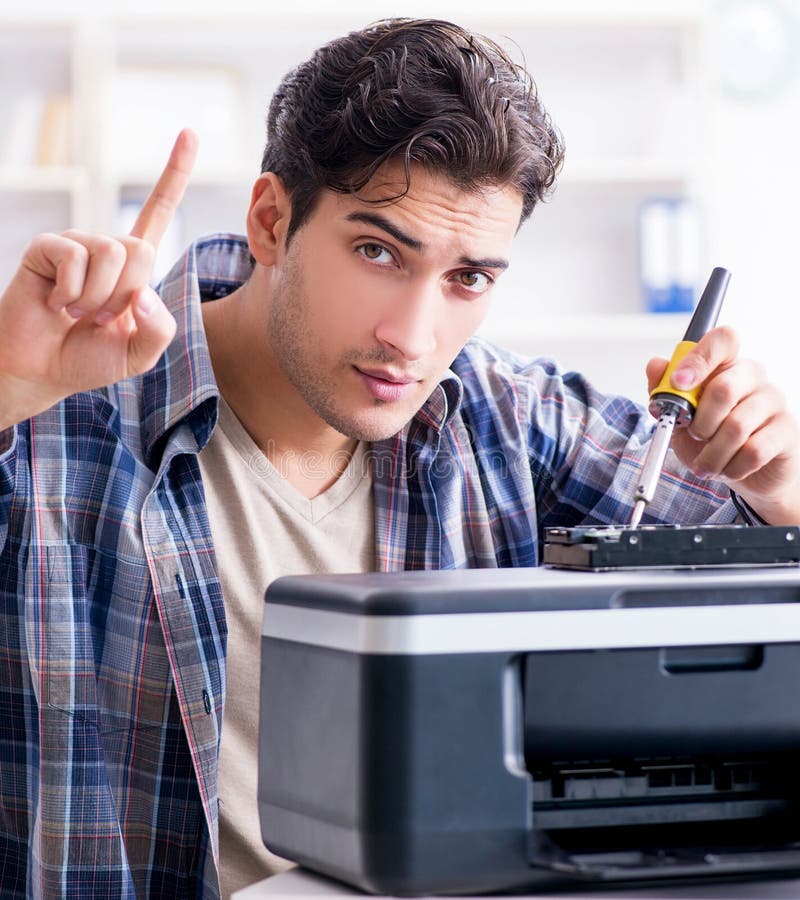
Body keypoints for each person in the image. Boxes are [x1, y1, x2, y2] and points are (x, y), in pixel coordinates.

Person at [1, 16, 798, 900]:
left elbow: (748, 584)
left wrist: (775, 484)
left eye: (469, 279)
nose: (412, 341)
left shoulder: (506, 416)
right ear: (272, 220)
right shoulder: (53, 413)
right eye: (379, 251)